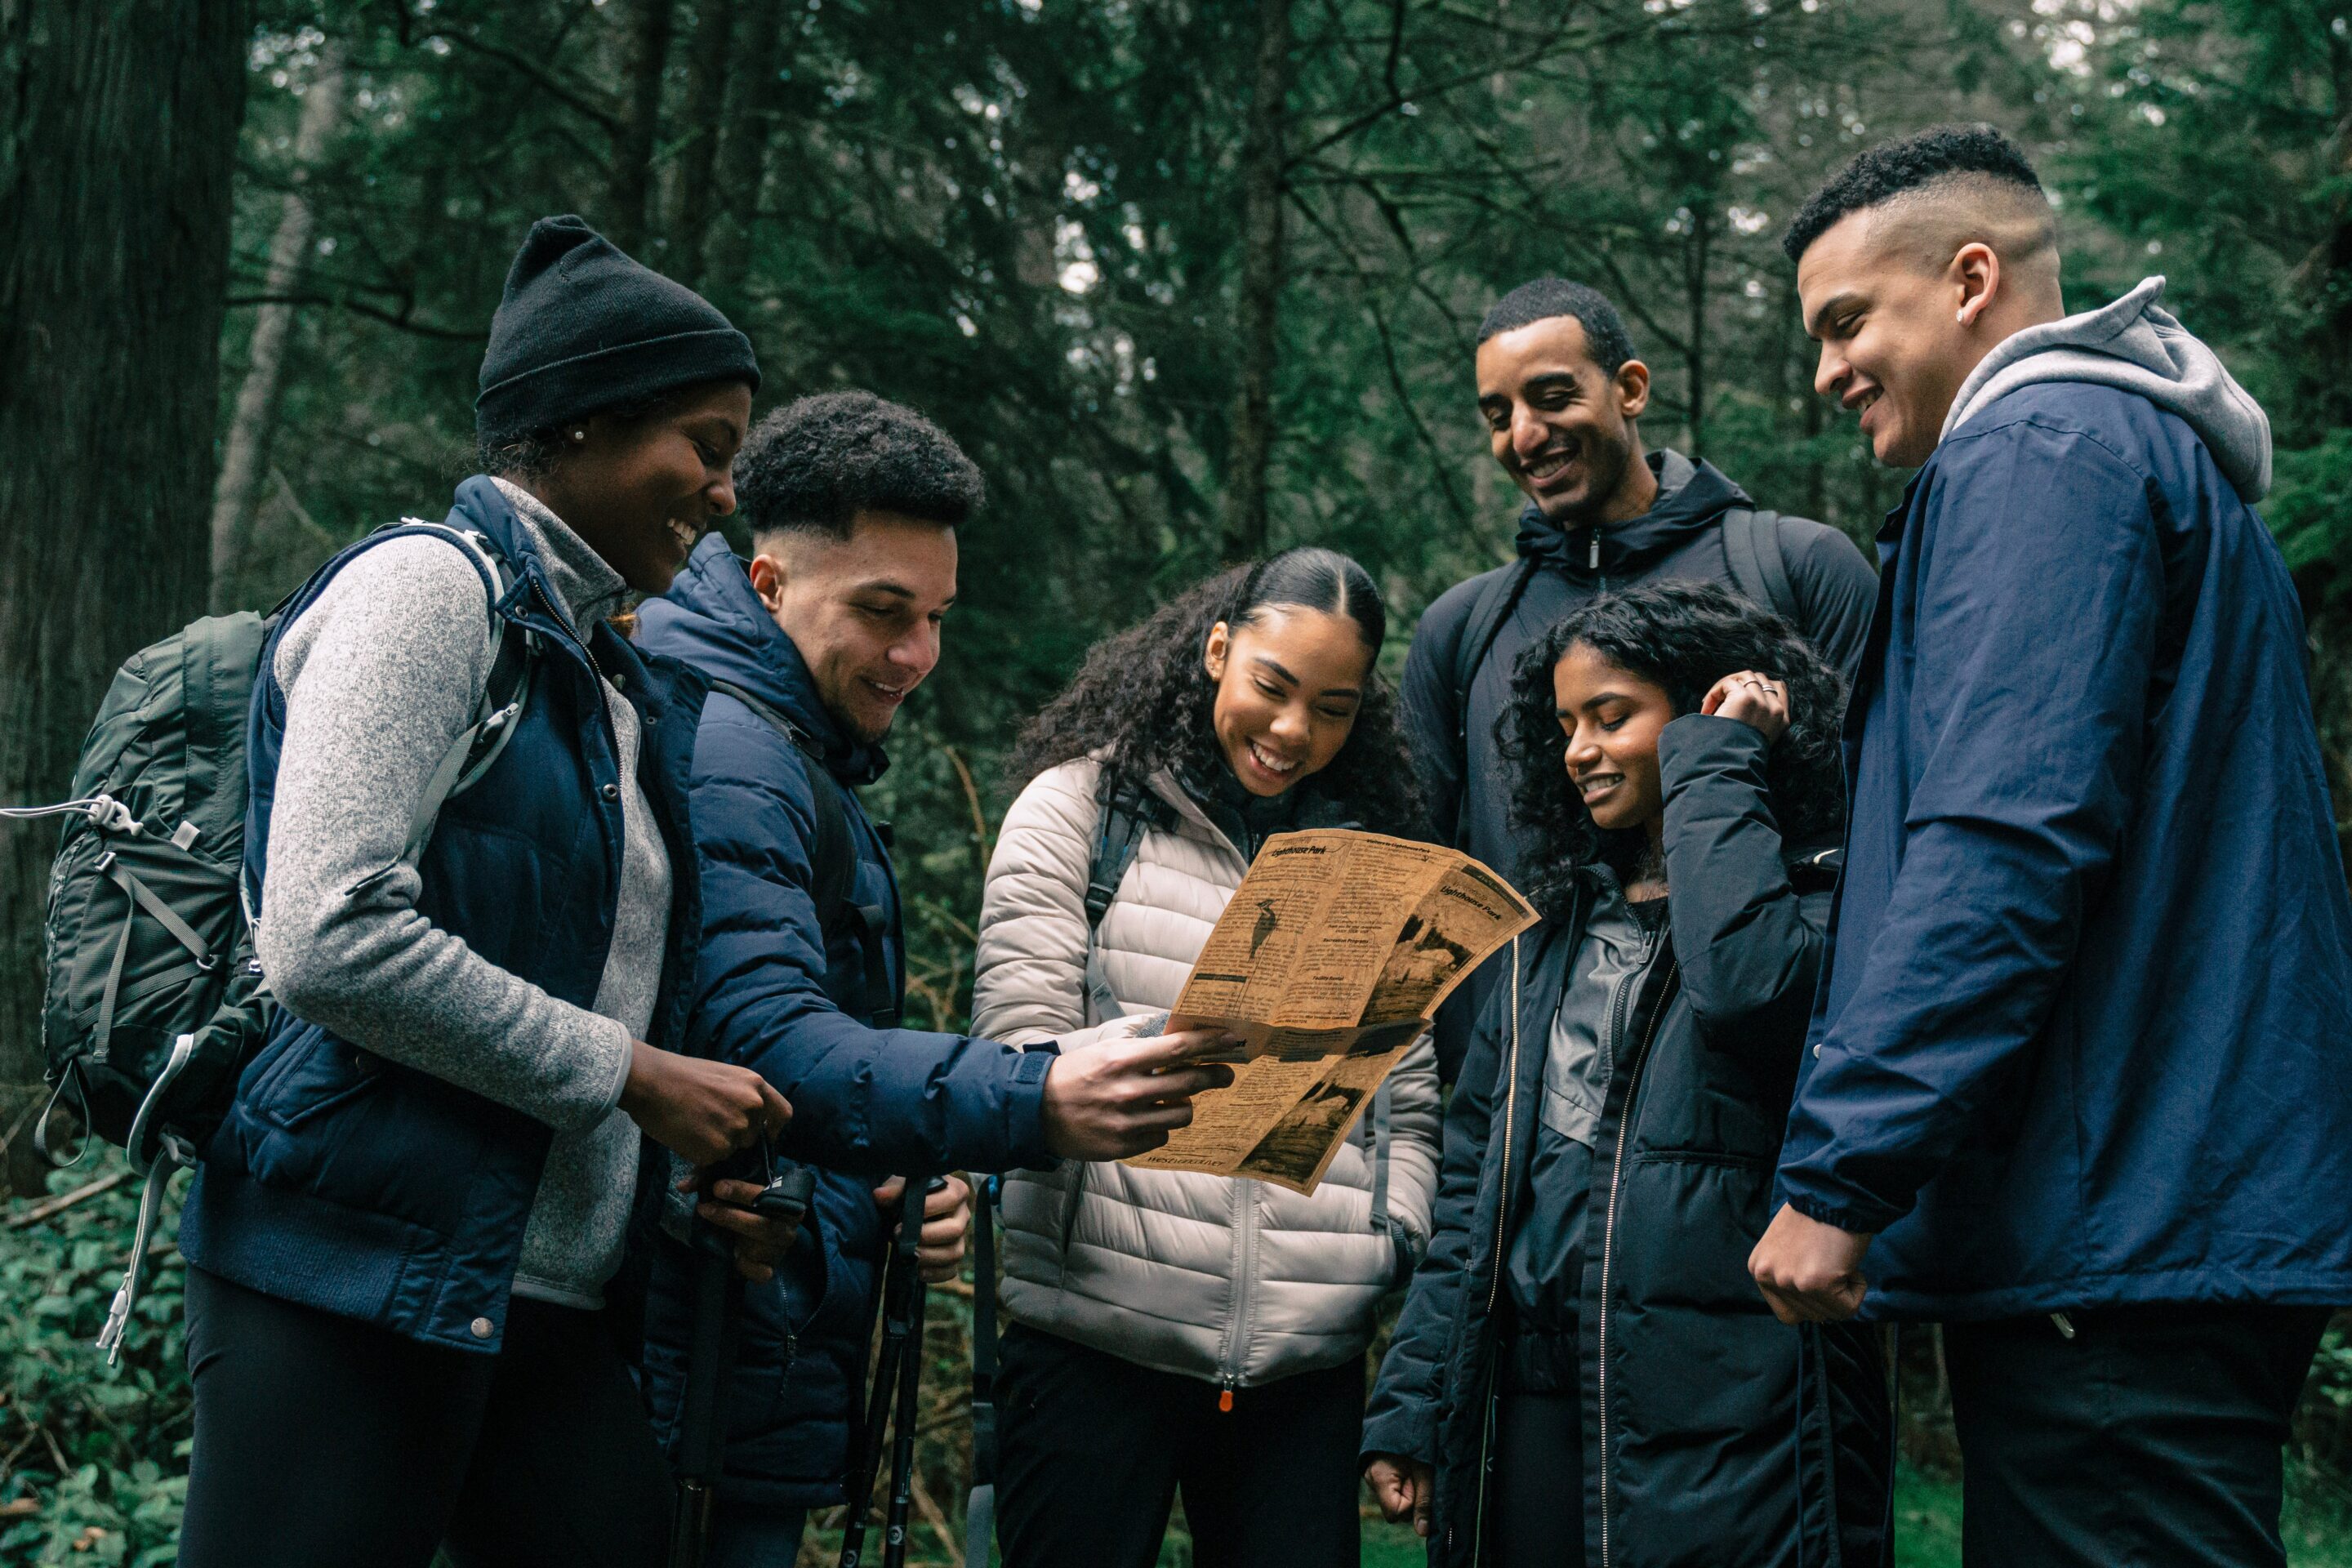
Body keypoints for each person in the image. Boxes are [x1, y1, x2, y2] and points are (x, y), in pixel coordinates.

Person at [1749, 123, 2352, 1566]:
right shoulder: (2131, 459)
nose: (1827, 371)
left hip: (2122, 1233)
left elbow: (2005, 842)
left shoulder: (2039, 457)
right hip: (2153, 1220)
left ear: (1969, 279)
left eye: (1847, 322)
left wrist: (1842, 1174)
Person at [174, 216, 798, 1568]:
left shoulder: (612, 685)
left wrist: (679, 1174)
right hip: (343, 1274)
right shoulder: (426, 595)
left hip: (543, 1301)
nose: (724, 489)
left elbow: (594, 973)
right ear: (579, 423)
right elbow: (327, 936)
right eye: (705, 443)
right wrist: (634, 1078)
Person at [630, 392, 1233, 1564]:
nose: (918, 655)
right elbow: (761, 1037)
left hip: (738, 1349)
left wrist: (882, 1182)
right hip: (682, 1359)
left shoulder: (787, 739)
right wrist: (1035, 1096)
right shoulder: (736, 748)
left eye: (937, 616)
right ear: (767, 586)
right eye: (883, 612)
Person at [1363, 581, 1890, 1568]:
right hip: (1531, 1406)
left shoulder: (1823, 897)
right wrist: (1415, 1402)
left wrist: (1720, 762)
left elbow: (1745, 989)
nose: (1580, 751)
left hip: (1733, 1410)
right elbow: (1475, 1191)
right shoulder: (1540, 942)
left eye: (1613, 717)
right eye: (1565, 725)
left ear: (1700, 714)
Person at [970, 548, 1441, 1568]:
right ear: (1218, 651)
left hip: (1303, 1366)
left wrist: (1388, 1233)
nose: (1293, 732)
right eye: (1273, 688)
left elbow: (1408, 1093)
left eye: (1333, 707)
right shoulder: (1079, 812)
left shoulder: (1365, 857)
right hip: (1094, 1344)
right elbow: (1013, 1062)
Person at [1402, 278, 1878, 1079]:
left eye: (1553, 397)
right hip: (1521, 1121)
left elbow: (1885, 838)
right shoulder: (1461, 631)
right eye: (1498, 416)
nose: (1525, 435)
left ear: (1630, 388)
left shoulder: (1794, 569)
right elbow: (1410, 884)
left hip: (1755, 1098)